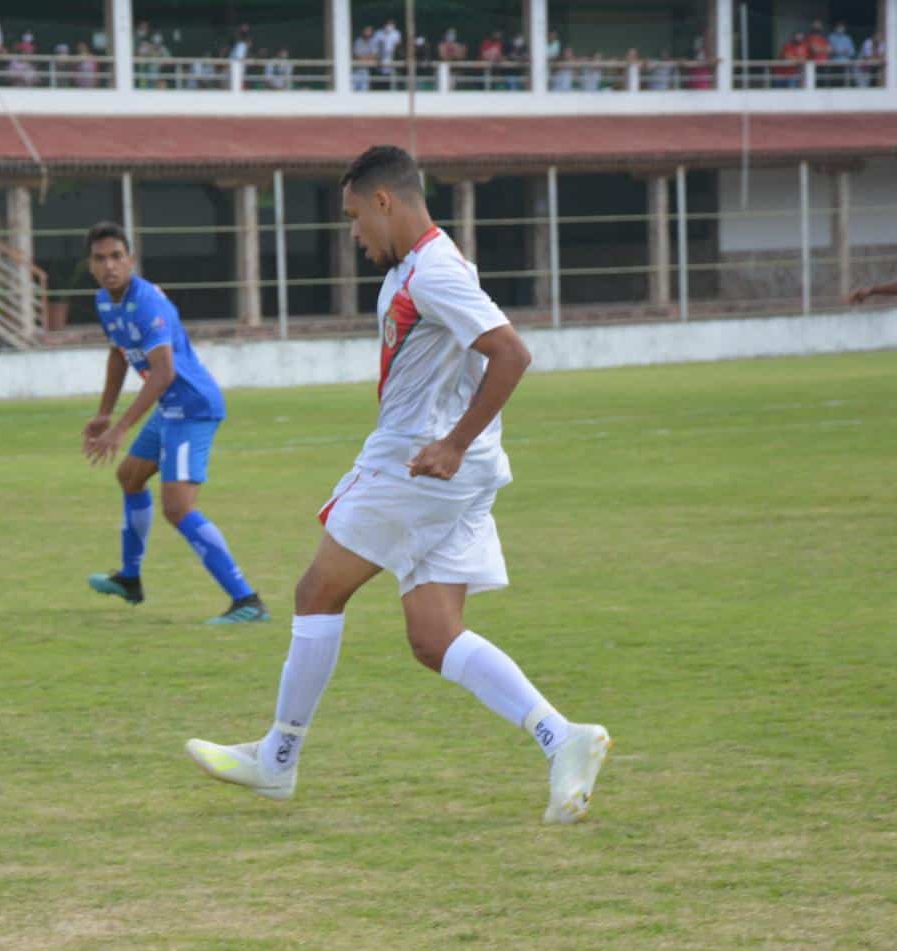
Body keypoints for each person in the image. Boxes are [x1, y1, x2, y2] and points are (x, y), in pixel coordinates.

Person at [185, 146, 610, 824]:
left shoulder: (435, 271)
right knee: (432, 635)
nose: (354, 235)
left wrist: (451, 442)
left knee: (316, 590)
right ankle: (564, 738)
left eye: (355, 218)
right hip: (449, 473)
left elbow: (511, 353)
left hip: (417, 466)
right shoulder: (421, 268)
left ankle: (278, 759)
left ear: (386, 201)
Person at [81, 222, 270, 625]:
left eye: (117, 256)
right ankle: (130, 580)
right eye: (101, 258)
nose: (110, 265)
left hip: (192, 406)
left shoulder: (147, 302)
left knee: (178, 507)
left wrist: (122, 428)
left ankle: (247, 600)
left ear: (130, 260)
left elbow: (164, 371)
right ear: (91, 265)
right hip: (169, 406)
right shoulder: (104, 301)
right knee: (130, 477)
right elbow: (119, 354)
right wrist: (104, 413)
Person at [828, 22, 855, 87]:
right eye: (839, 27)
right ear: (835, 28)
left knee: (845, 81)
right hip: (834, 63)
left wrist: (845, 52)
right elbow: (829, 50)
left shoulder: (847, 38)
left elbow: (852, 52)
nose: (840, 29)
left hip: (845, 63)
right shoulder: (831, 37)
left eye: (842, 27)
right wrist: (839, 52)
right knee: (835, 80)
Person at [352, 25, 377, 90]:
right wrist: (367, 58)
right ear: (363, 31)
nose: (367, 32)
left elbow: (374, 56)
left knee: (364, 89)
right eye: (366, 31)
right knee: (353, 88)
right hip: (356, 69)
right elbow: (356, 56)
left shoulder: (373, 42)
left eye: (369, 31)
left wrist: (364, 58)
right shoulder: (358, 41)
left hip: (366, 70)